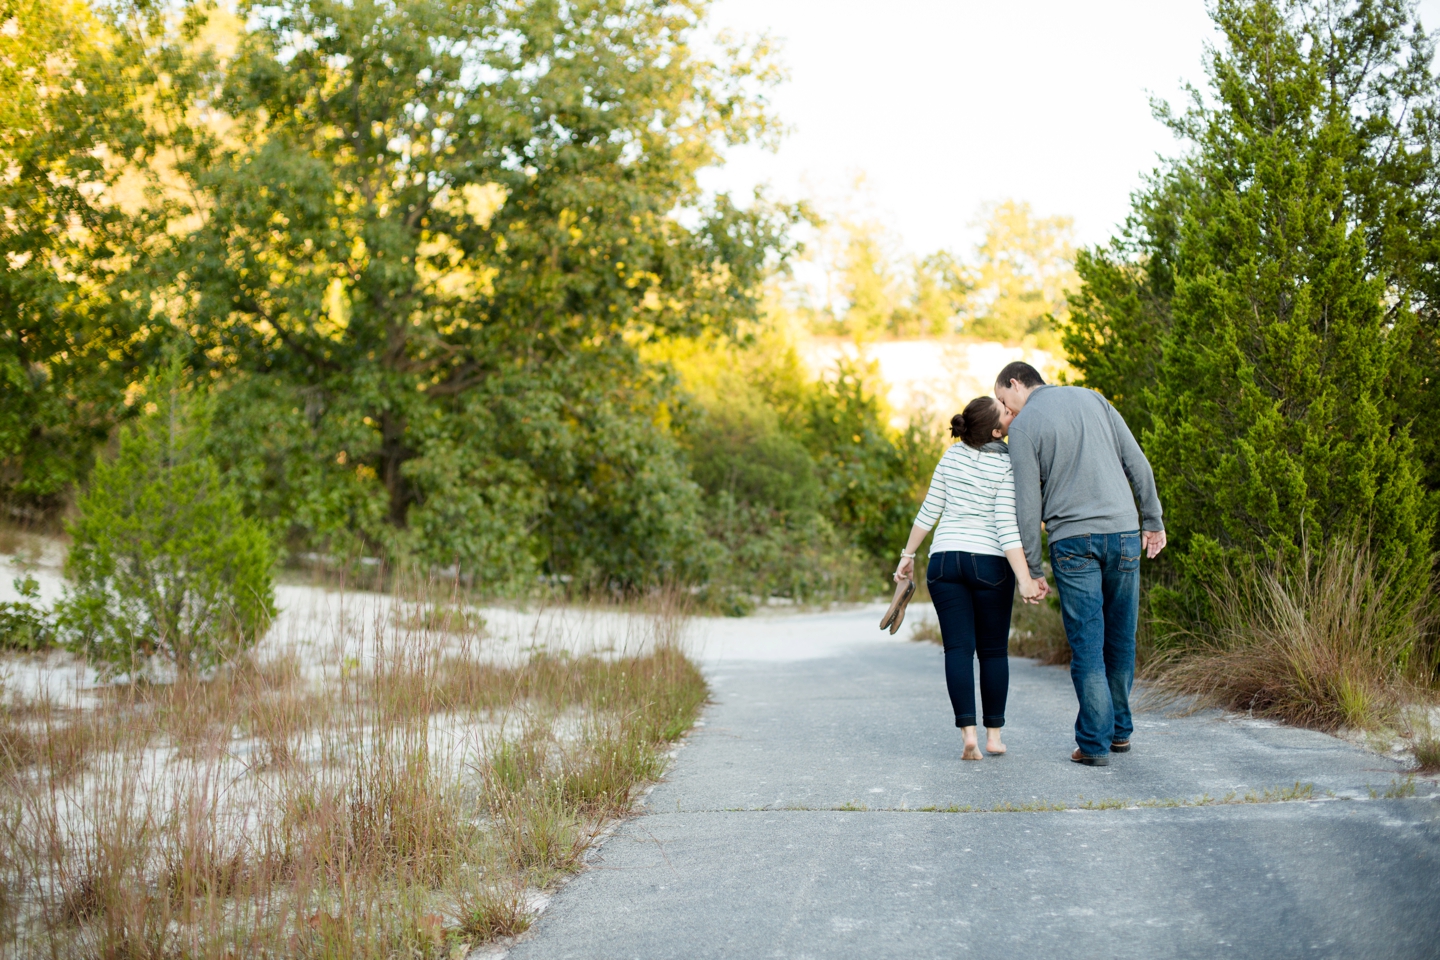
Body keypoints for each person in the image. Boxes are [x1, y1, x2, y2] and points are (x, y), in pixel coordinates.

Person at [994, 361, 1165, 766]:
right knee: (1122, 638)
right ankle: (1119, 732)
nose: (1007, 411)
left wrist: (1033, 567)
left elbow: (1027, 504)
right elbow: (1137, 463)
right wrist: (1152, 520)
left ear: (1016, 383)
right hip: (1124, 533)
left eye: (1004, 399)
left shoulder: (1023, 428)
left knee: (1088, 645)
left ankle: (1093, 744)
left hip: (1072, 541)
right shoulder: (1095, 399)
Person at [895, 396, 1044, 761]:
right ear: (996, 431)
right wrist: (1024, 577)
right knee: (992, 652)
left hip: (945, 562)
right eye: (1006, 412)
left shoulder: (951, 456)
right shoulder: (1006, 465)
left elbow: (929, 510)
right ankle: (994, 736)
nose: (1012, 413)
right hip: (989, 563)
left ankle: (969, 735)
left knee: (958, 649)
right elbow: (1007, 528)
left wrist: (908, 555)